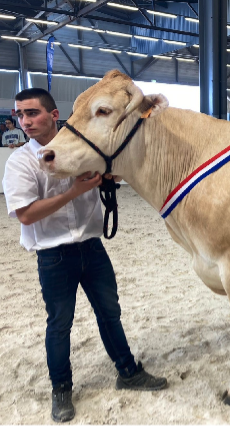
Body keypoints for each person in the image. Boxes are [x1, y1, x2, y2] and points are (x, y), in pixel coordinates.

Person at [2, 88, 167, 423]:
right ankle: (61, 389)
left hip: (91, 246)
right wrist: (77, 190)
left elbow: (114, 169)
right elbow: (26, 214)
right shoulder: (21, 160)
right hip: (53, 254)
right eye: (20, 115)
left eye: (32, 113)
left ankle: (128, 372)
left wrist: (111, 175)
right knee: (60, 325)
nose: (25, 121)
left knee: (110, 313)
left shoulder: (85, 148)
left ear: (53, 115)